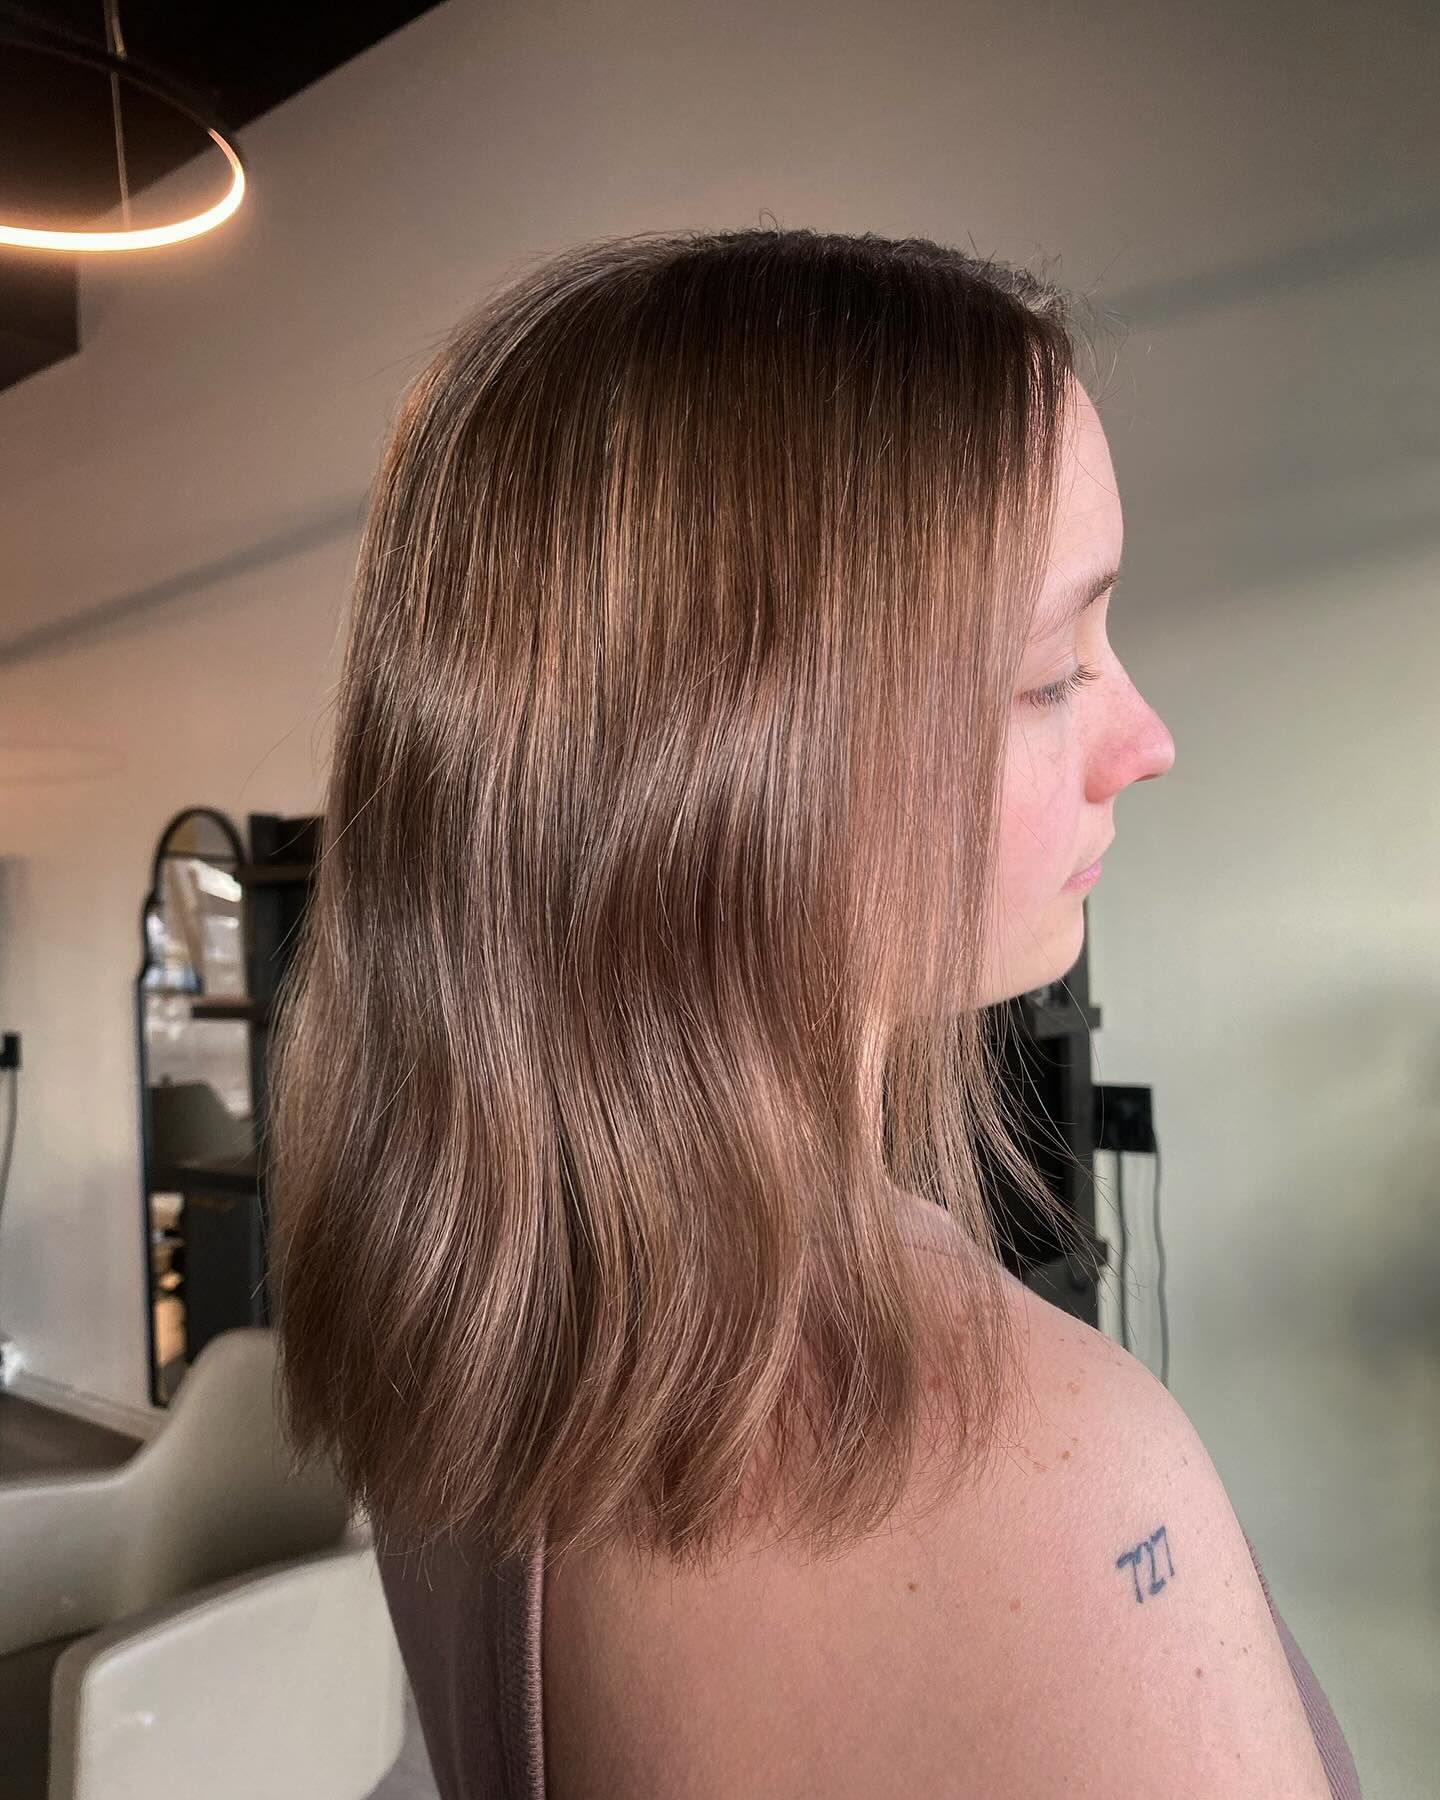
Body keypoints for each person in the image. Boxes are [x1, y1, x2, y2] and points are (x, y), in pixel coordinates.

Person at [268, 227, 1361, 1798]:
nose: (1147, 738)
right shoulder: (1049, 1482)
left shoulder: (478, 1277)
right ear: (735, 769)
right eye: (1054, 667)